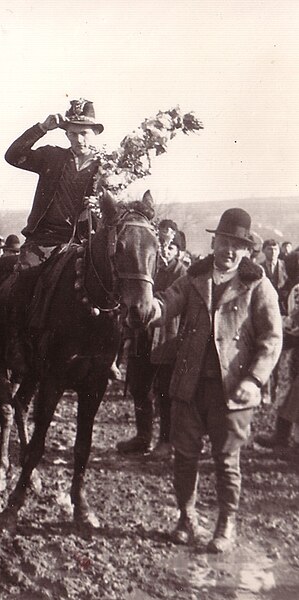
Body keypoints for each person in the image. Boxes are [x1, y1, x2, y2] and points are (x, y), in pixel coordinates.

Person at [149, 208, 282, 553]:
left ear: (248, 250)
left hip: (233, 390)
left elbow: (272, 339)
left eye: (238, 245)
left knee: (227, 461)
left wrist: (254, 379)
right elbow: (168, 303)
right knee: (184, 456)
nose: (230, 251)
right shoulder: (195, 277)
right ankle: (186, 517)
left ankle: (226, 525)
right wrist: (150, 308)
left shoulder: (257, 284)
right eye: (224, 242)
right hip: (190, 386)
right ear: (213, 241)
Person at [3, 98, 104, 370]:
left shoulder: (106, 167)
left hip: (83, 244)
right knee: (23, 281)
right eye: (72, 132)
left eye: (84, 132)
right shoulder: (51, 156)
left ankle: (104, 352)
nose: (79, 139)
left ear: (94, 132)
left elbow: (116, 209)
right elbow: (13, 156)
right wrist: (41, 128)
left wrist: (100, 208)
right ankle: (17, 346)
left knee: (106, 285)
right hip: (43, 241)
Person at [116, 222, 188, 455]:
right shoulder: (149, 269)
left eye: (171, 247)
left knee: (165, 392)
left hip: (167, 339)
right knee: (139, 387)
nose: (166, 251)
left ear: (178, 251)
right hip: (141, 336)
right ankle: (143, 436)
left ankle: (165, 441)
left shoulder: (181, 273)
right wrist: (128, 335)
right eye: (163, 247)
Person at [260, 238, 289, 313]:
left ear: (279, 251)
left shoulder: (287, 266)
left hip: (284, 306)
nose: (273, 252)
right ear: (263, 250)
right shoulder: (259, 268)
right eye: (269, 249)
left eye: (275, 249)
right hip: (264, 306)